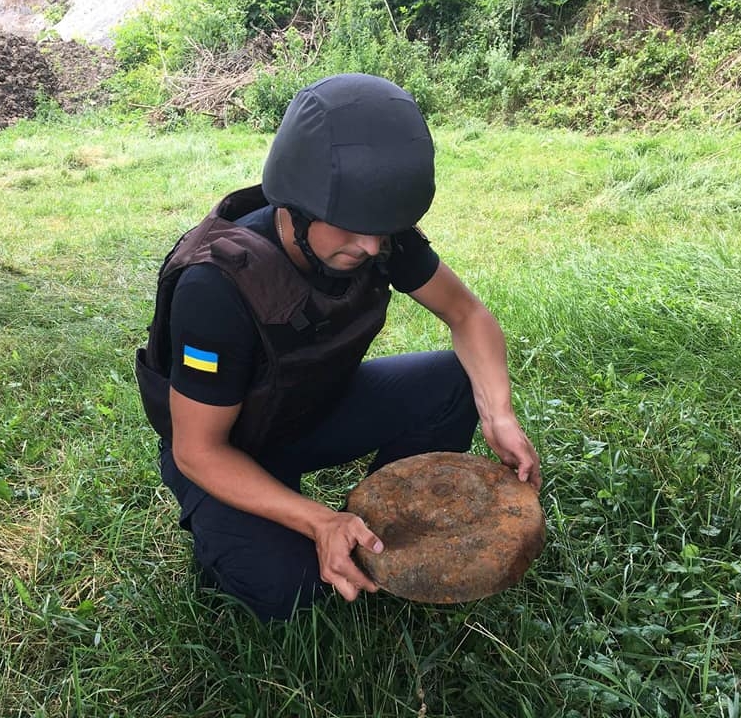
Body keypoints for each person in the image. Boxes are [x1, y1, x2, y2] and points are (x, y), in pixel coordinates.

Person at [135, 73, 540, 622]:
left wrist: (499, 414)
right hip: (228, 451)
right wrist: (318, 520)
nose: (372, 246)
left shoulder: (375, 235)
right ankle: (250, 538)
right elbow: (197, 451)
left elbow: (467, 314)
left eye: (383, 229)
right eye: (353, 228)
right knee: (292, 592)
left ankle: (387, 530)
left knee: (454, 383)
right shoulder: (216, 286)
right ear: (297, 206)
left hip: (312, 409)